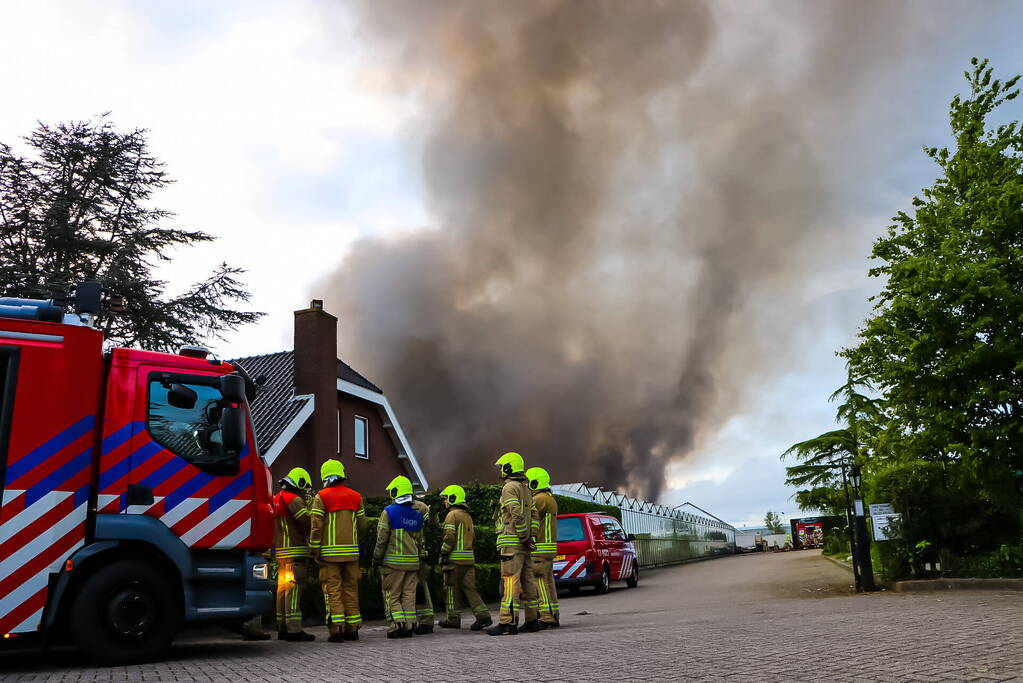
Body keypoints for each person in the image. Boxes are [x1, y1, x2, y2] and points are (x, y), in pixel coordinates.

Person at [309, 459, 368, 643]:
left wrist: (314, 548)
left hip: (329, 555)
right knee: (351, 589)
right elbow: (363, 525)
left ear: (325, 476)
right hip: (351, 553)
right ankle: (353, 629)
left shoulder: (322, 496)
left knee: (332, 590)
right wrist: (355, 541)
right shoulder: (356, 496)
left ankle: (337, 630)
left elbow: (316, 526)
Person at [488, 452, 540, 636]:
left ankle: (507, 623)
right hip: (523, 545)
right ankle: (533, 620)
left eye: (502, 466)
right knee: (528, 581)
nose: (500, 470)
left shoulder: (509, 487)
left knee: (510, 581)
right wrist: (530, 536)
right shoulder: (526, 488)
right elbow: (534, 515)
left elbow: (515, 513)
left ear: (508, 468)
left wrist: (524, 536)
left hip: (512, 542)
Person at [374, 475, 424, 639]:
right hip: (413, 564)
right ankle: (409, 625)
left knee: (392, 595)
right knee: (409, 595)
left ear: (395, 492)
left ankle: (397, 626)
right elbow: (420, 542)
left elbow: (382, 538)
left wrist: (376, 558)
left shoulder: (388, 512)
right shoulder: (417, 515)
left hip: (393, 563)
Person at [437, 484, 492, 631]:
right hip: (469, 559)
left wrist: (443, 553)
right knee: (470, 589)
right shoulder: (468, 516)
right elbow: (473, 539)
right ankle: (483, 616)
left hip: (454, 561)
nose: (445, 502)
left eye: (446, 498)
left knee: (450, 589)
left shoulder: (452, 515)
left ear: (453, 499)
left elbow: (449, 537)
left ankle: (453, 619)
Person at [274, 467, 316, 641]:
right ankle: (294, 629)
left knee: (282, 590)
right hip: (295, 551)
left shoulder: (275, 498)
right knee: (293, 589)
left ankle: (282, 626)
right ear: (298, 483)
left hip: (280, 552)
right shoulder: (294, 499)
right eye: (303, 487)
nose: (302, 491)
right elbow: (306, 524)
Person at [526, 466, 559, 629]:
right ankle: (553, 614)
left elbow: (528, 519)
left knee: (539, 583)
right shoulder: (550, 498)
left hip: (539, 548)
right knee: (548, 582)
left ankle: (546, 616)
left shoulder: (538, 499)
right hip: (548, 548)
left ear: (534, 483)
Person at [411, 493, 436, 634]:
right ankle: (421, 621)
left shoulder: (392, 509)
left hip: (414, 555)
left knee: (418, 589)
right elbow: (432, 528)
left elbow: (432, 526)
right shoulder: (421, 507)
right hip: (417, 553)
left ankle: (423, 621)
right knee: (417, 589)